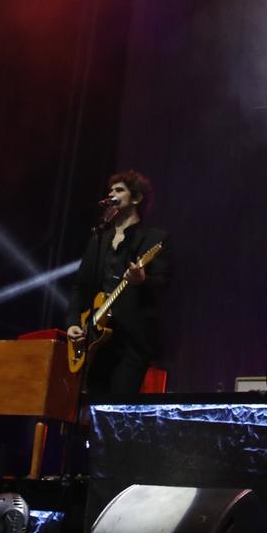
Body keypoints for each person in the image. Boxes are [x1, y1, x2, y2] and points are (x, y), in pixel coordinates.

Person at [67, 171, 170, 399]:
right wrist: (73, 322)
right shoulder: (99, 239)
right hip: (96, 339)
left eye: (119, 190)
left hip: (131, 342)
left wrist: (142, 280)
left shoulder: (154, 239)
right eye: (111, 190)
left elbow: (163, 284)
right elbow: (80, 286)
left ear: (137, 198)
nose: (112, 194)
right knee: (93, 405)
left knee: (117, 407)